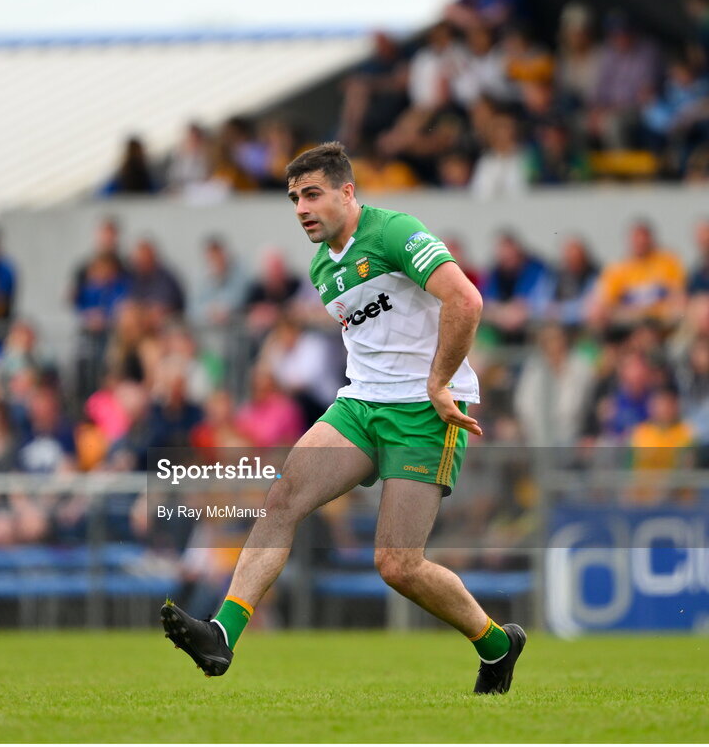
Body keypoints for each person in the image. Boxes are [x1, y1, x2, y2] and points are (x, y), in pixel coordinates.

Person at [160, 142, 526, 695]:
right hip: (360, 404)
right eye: (293, 198)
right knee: (283, 497)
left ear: (347, 192)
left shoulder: (394, 231)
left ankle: (498, 645)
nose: (302, 207)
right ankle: (222, 634)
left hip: (424, 411)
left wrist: (439, 382)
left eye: (313, 194)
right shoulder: (319, 266)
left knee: (398, 563)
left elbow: (466, 302)